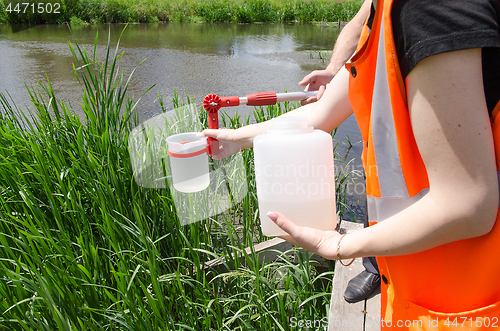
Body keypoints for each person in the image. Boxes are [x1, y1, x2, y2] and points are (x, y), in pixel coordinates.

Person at [202, 0, 500, 327]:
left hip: (467, 289)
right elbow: (319, 114)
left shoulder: (430, 10)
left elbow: (468, 203)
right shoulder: (385, 11)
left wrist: (342, 245)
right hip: (415, 274)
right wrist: (235, 138)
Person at [298, 0, 381, 305]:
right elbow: (363, 19)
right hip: (386, 117)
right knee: (377, 181)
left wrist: (339, 247)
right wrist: (334, 70)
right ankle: (375, 266)